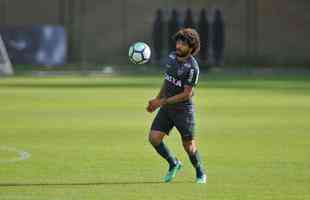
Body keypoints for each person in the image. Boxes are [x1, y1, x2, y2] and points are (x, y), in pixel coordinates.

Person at [146, 28, 207, 184]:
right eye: (178, 42)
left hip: (183, 111)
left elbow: (187, 94)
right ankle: (174, 163)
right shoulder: (172, 57)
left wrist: (162, 102)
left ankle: (200, 172)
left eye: (183, 44)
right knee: (154, 138)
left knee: (189, 146)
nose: (178, 46)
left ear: (191, 48)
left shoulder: (193, 68)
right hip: (167, 108)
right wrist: (156, 100)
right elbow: (167, 81)